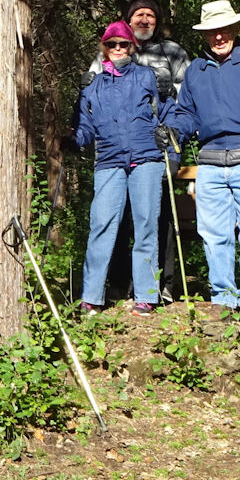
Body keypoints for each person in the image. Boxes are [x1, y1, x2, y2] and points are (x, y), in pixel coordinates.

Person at [169, 0, 240, 322]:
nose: (218, 37)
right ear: (204, 35)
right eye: (212, 32)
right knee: (213, 234)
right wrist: (174, 130)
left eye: (223, 29)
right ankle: (222, 297)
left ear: (235, 28)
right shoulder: (196, 70)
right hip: (209, 161)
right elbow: (186, 114)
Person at [83, 0, 191, 302]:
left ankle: (160, 287)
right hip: (112, 155)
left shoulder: (172, 52)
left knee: (155, 221)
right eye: (138, 15)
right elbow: (92, 100)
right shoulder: (108, 55)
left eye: (150, 15)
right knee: (112, 222)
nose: (144, 20)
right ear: (129, 22)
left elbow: (183, 102)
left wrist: (174, 147)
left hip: (153, 151)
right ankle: (117, 286)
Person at [73, 20, 170, 316]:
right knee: (101, 224)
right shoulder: (93, 86)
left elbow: (167, 112)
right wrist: (73, 140)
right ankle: (91, 296)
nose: (117, 48)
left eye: (123, 43)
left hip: (146, 157)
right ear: (104, 47)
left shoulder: (147, 77)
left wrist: (170, 132)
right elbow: (85, 127)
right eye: (111, 44)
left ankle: (146, 295)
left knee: (146, 224)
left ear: (132, 46)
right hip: (109, 160)